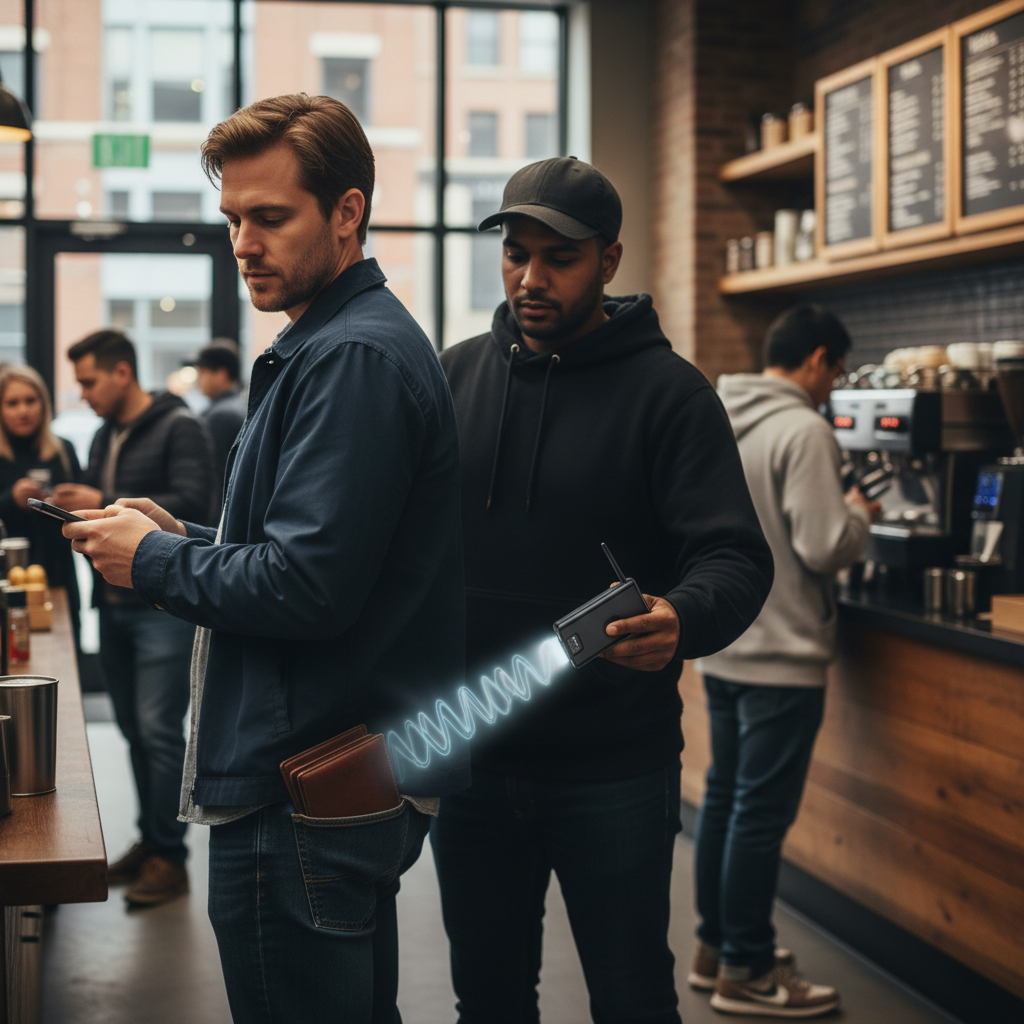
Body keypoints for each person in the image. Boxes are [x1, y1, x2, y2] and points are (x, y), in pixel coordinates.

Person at [62, 93, 467, 1023]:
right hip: (331, 770)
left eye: (271, 218)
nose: (243, 242)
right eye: (233, 219)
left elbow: (307, 587)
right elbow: (314, 560)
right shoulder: (331, 344)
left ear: (347, 212)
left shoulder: (352, 358)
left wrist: (155, 565)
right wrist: (184, 541)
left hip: (299, 787)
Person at [432, 156, 774, 1024]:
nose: (530, 278)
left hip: (613, 765)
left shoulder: (671, 396)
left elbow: (736, 560)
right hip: (471, 755)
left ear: (610, 260)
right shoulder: (454, 375)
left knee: (629, 995)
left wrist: (681, 616)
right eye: (515, 253)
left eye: (560, 258)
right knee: (489, 998)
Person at [691, 305, 880, 1017]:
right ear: (818, 361)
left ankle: (716, 949)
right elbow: (825, 544)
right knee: (759, 817)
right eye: (834, 373)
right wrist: (858, 512)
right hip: (784, 655)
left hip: (727, 643)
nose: (831, 388)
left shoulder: (717, 413)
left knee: (726, 802)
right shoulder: (803, 429)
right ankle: (747, 968)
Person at [52, 329, 215, 908]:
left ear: (123, 372)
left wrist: (105, 493)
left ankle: (170, 858)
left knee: (159, 734)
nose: (84, 393)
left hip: (161, 610)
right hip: (115, 606)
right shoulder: (104, 432)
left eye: (89, 380)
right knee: (134, 734)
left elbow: (193, 510)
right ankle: (151, 842)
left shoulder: (180, 427)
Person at [0, 364, 82, 637]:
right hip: (6, 582)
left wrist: (67, 502)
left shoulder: (63, 450)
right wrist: (11, 500)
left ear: (43, 404)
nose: (23, 410)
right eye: (12, 403)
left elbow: (86, 509)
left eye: (30, 401)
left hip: (58, 578)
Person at [187, 342, 247, 501]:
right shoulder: (235, 407)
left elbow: (213, 477)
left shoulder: (222, 416)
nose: (198, 380)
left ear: (221, 373)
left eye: (202, 372)